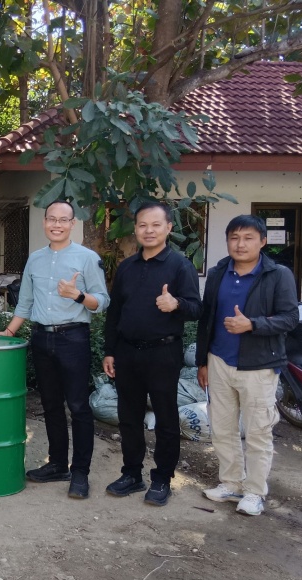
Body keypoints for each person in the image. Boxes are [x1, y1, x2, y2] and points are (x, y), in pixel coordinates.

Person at [0, 201, 109, 499]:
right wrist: (8, 332)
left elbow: (102, 301)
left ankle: (80, 472)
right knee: (51, 405)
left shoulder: (87, 258)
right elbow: (25, 303)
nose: (57, 224)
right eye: (52, 219)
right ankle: (57, 464)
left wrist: (78, 295)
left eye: (63, 220)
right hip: (42, 339)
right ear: (44, 222)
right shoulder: (35, 259)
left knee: (79, 407)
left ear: (72, 224)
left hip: (74, 338)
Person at [196, 215, 298, 516]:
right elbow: (207, 320)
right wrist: (202, 361)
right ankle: (231, 483)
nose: (240, 244)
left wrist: (252, 324)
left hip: (259, 366)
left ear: (262, 241)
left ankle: (254, 492)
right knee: (222, 428)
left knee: (257, 432)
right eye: (234, 237)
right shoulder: (217, 273)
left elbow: (290, 318)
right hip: (219, 361)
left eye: (248, 238)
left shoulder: (278, 275)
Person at [102, 201, 202, 506]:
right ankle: (132, 473)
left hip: (163, 353)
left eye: (156, 225)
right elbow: (114, 313)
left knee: (166, 419)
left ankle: (162, 479)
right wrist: (109, 351)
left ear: (168, 228)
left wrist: (177, 304)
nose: (149, 230)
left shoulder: (180, 266)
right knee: (128, 417)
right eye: (143, 225)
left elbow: (197, 309)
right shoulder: (127, 267)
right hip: (127, 352)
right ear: (135, 229)